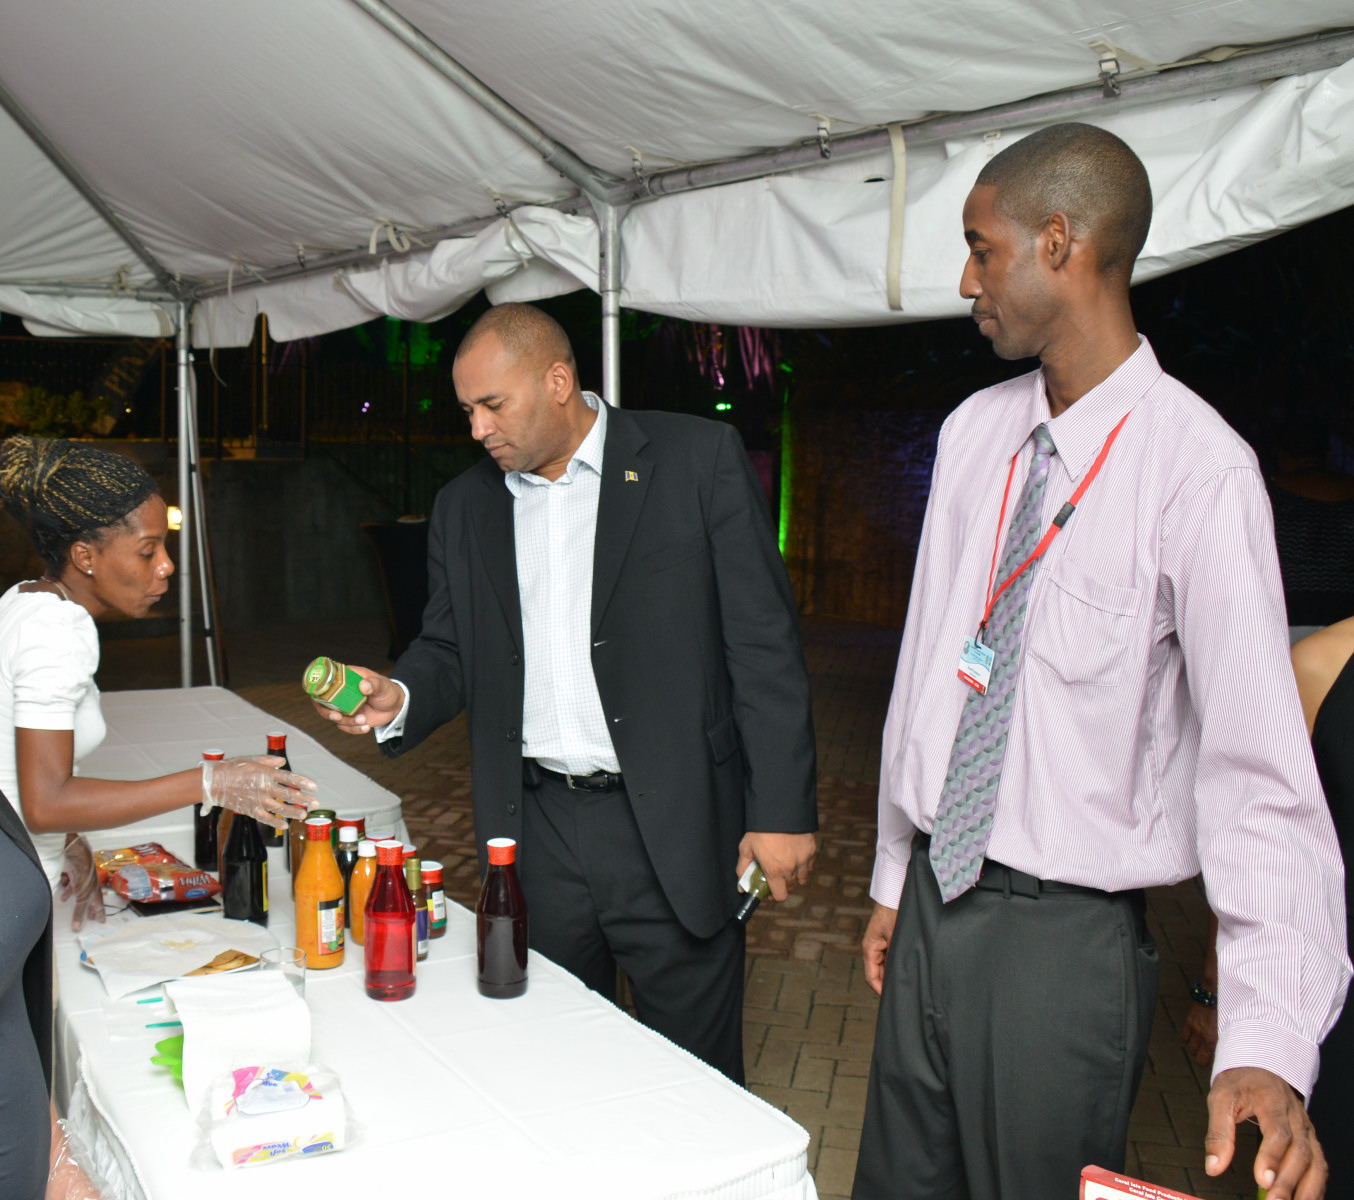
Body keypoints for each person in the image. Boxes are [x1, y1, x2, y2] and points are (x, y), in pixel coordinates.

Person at [853, 123, 1349, 1200]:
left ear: (1059, 241)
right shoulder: (973, 433)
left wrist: (1265, 1037)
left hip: (1062, 947)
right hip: (934, 902)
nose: (967, 281)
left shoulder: (1201, 473)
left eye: (982, 249)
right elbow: (928, 672)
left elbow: (1260, 779)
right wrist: (896, 876)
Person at [313, 303, 817, 1082]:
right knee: (553, 1064)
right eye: (467, 411)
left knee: (695, 1079)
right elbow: (448, 646)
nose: (478, 429)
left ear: (557, 381)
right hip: (535, 832)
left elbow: (763, 645)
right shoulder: (465, 505)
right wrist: (400, 696)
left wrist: (781, 811)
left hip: (674, 825)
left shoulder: (694, 459)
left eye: (493, 405)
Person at [0, 436, 316, 928]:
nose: (167, 565)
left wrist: (69, 839)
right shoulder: (58, 630)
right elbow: (47, 803)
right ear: (85, 555)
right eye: (148, 551)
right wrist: (211, 781)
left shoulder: (24, 599)